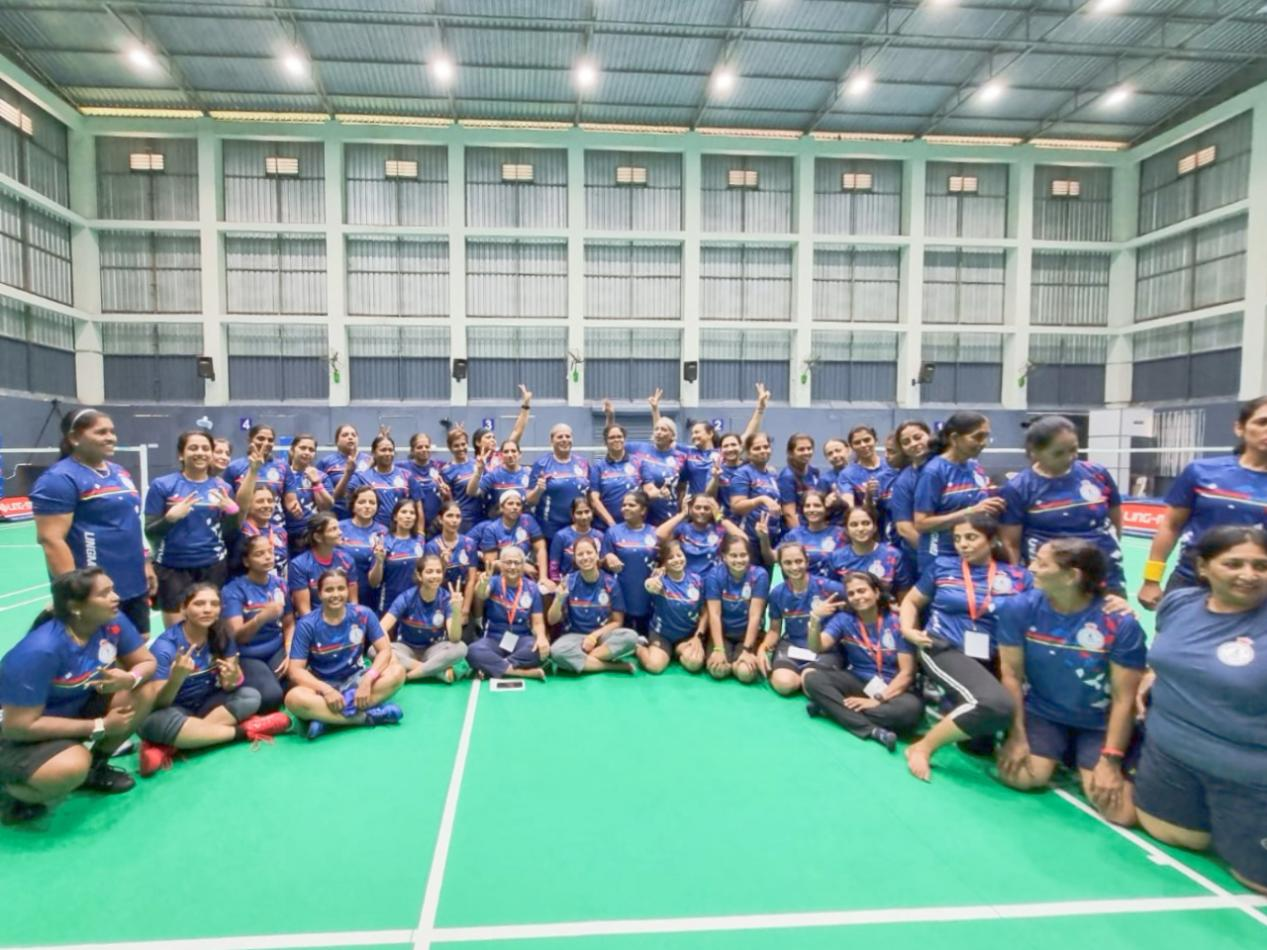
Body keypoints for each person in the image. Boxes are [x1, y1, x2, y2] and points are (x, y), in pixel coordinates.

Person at [1132, 525, 1267, 894]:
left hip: (1250, 772)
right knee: (1170, 834)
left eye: (1261, 565)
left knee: (1256, 879)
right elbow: (1168, 648)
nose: (1249, 574)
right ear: (1203, 567)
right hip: (1170, 754)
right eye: (1234, 563)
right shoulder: (1180, 603)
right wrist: (1152, 671)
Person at [994, 540, 1146, 826]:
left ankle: (1079, 757)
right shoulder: (1019, 608)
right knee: (1022, 776)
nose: (1031, 568)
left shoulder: (1119, 623)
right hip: (1044, 712)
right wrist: (1016, 736)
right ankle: (1060, 754)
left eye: (1041, 563)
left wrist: (1110, 761)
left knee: (1121, 814)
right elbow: (1011, 675)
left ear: (1072, 576)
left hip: (1098, 722)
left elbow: (1124, 697)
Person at [0, 568, 156, 823]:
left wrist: (130, 678)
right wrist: (100, 725)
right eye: (105, 593)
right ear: (76, 607)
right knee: (73, 765)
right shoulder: (39, 651)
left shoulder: (111, 622)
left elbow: (146, 662)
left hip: (68, 709)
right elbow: (18, 727)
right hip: (15, 734)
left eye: (113, 589)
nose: (115, 597)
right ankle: (10, 791)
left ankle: (96, 769)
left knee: (144, 691)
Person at [899, 515, 1033, 782]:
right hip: (942, 647)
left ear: (991, 539)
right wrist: (907, 630)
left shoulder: (1018, 576)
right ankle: (922, 747)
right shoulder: (942, 566)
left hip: (993, 657)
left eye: (971, 537)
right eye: (958, 538)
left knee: (978, 744)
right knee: (996, 705)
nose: (963, 544)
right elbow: (911, 602)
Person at [137, 584, 291, 777]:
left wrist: (234, 678)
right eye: (199, 604)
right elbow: (158, 704)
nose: (208, 609)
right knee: (152, 724)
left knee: (249, 696)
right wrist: (176, 679)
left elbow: (230, 684)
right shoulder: (165, 647)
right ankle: (242, 731)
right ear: (184, 609)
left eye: (214, 604)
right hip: (173, 710)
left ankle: (175, 745)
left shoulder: (221, 634)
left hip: (206, 704)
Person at [32, 408, 156, 635]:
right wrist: (75, 592)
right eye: (101, 432)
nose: (111, 437)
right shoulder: (59, 479)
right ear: (74, 438)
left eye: (112, 431)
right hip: (95, 592)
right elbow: (51, 540)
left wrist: (145, 562)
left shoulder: (120, 472)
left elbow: (129, 523)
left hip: (133, 583)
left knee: (138, 646)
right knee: (99, 655)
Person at [1137, 397, 1267, 610]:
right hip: (1191, 582)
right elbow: (1171, 526)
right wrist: (1151, 580)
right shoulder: (1200, 471)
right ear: (1240, 428)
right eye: (1262, 422)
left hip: (1254, 589)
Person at [999, 416, 1125, 593]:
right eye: (1058, 453)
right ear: (1035, 452)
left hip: (1104, 573)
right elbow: (1011, 544)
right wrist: (1018, 582)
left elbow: (1116, 519)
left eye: (1074, 449)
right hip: (1051, 580)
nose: (1070, 457)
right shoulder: (1018, 488)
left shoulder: (1097, 473)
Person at [803, 571, 922, 751]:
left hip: (893, 688)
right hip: (858, 680)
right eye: (851, 593)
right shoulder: (844, 619)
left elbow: (907, 673)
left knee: (911, 711)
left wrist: (878, 700)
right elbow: (816, 647)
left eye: (862, 591)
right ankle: (872, 730)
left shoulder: (897, 622)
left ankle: (831, 709)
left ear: (876, 592)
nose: (857, 597)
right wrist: (814, 620)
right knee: (812, 678)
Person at [284, 569, 405, 740]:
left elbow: (384, 650)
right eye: (329, 590)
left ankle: (326, 718)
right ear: (319, 593)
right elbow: (295, 671)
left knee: (397, 672)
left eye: (341, 589)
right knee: (293, 699)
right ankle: (365, 717)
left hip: (357, 678)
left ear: (348, 590)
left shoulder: (363, 614)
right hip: (323, 684)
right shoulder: (307, 624)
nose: (336, 594)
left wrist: (368, 680)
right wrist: (325, 690)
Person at [145, 429, 236, 627]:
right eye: (193, 448)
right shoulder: (162, 485)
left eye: (205, 448)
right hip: (172, 568)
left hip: (213, 567)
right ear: (181, 454)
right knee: (177, 634)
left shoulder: (223, 488)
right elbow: (150, 531)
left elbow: (229, 533)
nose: (200, 452)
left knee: (210, 629)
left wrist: (231, 513)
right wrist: (170, 518)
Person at [913, 411, 1005, 571]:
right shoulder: (934, 472)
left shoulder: (974, 466)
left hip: (975, 555)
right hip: (941, 557)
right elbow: (921, 523)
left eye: (986, 436)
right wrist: (970, 511)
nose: (983, 443)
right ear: (954, 438)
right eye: (977, 437)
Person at [639, 383, 769, 496]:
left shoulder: (723, 452)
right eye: (692, 433)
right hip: (695, 509)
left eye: (697, 432)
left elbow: (747, 436)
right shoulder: (688, 452)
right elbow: (663, 437)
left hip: (717, 507)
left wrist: (760, 408)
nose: (693, 436)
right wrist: (655, 410)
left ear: (710, 433)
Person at [760, 543, 845, 696]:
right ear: (780, 565)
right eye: (787, 562)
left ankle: (808, 676)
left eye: (798, 561)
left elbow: (856, 601)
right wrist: (762, 648)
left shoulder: (828, 587)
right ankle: (798, 676)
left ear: (807, 561)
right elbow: (774, 630)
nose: (794, 567)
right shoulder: (777, 593)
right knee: (784, 684)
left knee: (810, 683)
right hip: (792, 645)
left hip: (824, 648)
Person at [222, 535, 294, 714]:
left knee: (305, 680)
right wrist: (261, 618)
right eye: (260, 554)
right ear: (246, 561)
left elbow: (289, 623)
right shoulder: (233, 590)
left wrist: (290, 650)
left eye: (270, 552)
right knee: (272, 697)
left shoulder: (280, 584)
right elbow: (238, 636)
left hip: (277, 649)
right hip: (249, 654)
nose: (268, 557)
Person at [546, 536, 639, 675]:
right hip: (575, 637)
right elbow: (552, 620)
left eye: (589, 553)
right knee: (556, 652)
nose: (585, 557)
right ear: (575, 559)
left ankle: (583, 662)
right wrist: (558, 599)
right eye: (580, 554)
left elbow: (617, 622)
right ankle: (613, 667)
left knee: (631, 637)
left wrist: (593, 637)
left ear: (597, 555)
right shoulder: (568, 581)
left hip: (603, 637)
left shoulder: (610, 583)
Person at [381, 555, 468, 683]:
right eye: (429, 571)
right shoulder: (406, 597)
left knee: (461, 648)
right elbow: (381, 628)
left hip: (434, 651)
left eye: (438, 572)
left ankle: (409, 676)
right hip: (406, 649)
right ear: (419, 575)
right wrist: (387, 649)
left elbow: (455, 638)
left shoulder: (446, 598)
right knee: (374, 650)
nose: (434, 576)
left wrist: (456, 611)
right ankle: (434, 671)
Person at [467, 547, 550, 680]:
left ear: (523, 565)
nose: (512, 566)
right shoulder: (494, 581)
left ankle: (492, 668)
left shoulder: (532, 588)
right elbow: (481, 594)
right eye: (508, 562)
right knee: (473, 651)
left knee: (537, 650)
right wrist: (483, 583)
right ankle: (520, 672)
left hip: (521, 639)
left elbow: (538, 622)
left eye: (517, 563)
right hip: (493, 639)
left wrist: (541, 637)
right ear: (501, 564)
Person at [703, 535, 769, 682]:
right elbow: (714, 615)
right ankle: (728, 658)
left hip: (746, 636)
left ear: (749, 556)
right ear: (724, 557)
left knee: (745, 674)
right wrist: (718, 649)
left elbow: (755, 616)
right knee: (718, 671)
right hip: (723, 635)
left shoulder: (759, 575)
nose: (739, 560)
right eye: (733, 555)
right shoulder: (715, 575)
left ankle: (739, 658)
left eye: (743, 555)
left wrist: (746, 650)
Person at [641, 540, 706, 674]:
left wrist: (698, 637)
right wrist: (650, 583)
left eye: (679, 555)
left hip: (686, 636)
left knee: (695, 664)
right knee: (655, 666)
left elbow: (705, 612)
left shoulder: (697, 581)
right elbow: (650, 585)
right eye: (670, 558)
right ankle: (637, 645)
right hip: (662, 635)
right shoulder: (660, 580)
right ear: (664, 562)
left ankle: (675, 651)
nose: (677, 560)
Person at [600, 492, 661, 635]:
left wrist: (662, 568)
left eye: (631, 505)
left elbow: (664, 559)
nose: (625, 508)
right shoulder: (612, 532)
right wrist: (608, 557)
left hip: (647, 596)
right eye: (624, 505)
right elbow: (602, 564)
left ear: (643, 510)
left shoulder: (654, 532)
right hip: (621, 595)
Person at [656, 493, 745, 578]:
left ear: (712, 511)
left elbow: (744, 539)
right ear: (691, 509)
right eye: (697, 508)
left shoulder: (719, 529)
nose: (702, 511)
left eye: (706, 508)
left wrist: (719, 517)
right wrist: (682, 514)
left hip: (713, 581)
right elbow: (657, 536)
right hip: (687, 581)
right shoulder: (682, 528)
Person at [528, 424, 590, 543]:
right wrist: (538, 490)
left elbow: (589, 495)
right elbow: (530, 501)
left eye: (567, 436)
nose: (564, 440)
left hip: (578, 526)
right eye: (560, 437)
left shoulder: (582, 463)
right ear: (552, 441)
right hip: (549, 530)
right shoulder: (541, 464)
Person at [288, 513, 358, 616]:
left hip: (343, 621)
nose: (340, 532)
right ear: (318, 537)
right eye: (333, 529)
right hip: (314, 624)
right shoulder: (299, 565)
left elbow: (353, 603)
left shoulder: (347, 560)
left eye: (338, 528)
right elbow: (305, 612)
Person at [827, 505, 908, 595]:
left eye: (866, 523)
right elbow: (832, 592)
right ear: (846, 530)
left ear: (875, 527)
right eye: (854, 525)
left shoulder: (893, 555)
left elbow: (903, 591)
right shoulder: (836, 557)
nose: (860, 529)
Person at [888, 419, 932, 582]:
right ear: (903, 449)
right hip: (925, 557)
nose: (914, 444)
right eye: (906, 442)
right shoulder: (904, 481)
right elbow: (905, 528)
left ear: (929, 436)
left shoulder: (948, 466)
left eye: (918, 437)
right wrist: (933, 555)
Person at [730, 432, 784, 564]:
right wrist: (761, 499)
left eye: (766, 447)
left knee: (773, 580)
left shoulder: (772, 474)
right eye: (757, 448)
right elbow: (736, 506)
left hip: (771, 538)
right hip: (750, 539)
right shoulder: (743, 473)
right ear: (748, 453)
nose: (763, 451)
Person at [424, 501, 479, 625]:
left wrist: (465, 609)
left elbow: (471, 580)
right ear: (440, 519)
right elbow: (431, 582)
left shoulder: (469, 544)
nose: (454, 520)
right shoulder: (431, 547)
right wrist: (443, 564)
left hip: (463, 599)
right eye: (450, 516)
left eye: (458, 516)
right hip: (439, 601)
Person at [347, 435, 417, 529]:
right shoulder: (362, 477)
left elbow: (418, 506)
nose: (387, 453)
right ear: (374, 453)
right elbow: (345, 496)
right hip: (373, 532)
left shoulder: (407, 475)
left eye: (390, 450)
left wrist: (420, 533)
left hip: (401, 532)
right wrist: (348, 473)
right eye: (383, 450)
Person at [478, 490, 548, 582]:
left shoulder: (528, 520)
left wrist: (543, 578)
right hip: (502, 575)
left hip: (529, 572)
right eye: (510, 504)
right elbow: (491, 562)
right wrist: (520, 567)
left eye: (518, 504)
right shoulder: (491, 529)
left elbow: (540, 549)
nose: (515, 507)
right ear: (501, 508)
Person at [838, 426, 896, 535]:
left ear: (875, 440)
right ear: (851, 447)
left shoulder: (892, 465)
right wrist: (868, 496)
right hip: (866, 532)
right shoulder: (847, 474)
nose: (863, 445)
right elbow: (849, 506)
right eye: (857, 442)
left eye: (867, 440)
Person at [227, 424, 287, 529]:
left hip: (276, 529)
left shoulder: (283, 466)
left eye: (270, 440)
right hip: (245, 529)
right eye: (260, 438)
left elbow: (288, 500)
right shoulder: (234, 467)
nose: (265, 443)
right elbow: (229, 504)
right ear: (250, 440)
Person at [282, 433, 334, 555]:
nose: (307, 452)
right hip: (284, 533)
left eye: (311, 450)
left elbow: (327, 507)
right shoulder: (282, 475)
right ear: (291, 450)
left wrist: (316, 483)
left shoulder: (322, 477)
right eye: (302, 448)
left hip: (311, 535)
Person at [337, 484, 387, 610]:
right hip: (340, 592)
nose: (367, 506)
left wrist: (379, 560)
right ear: (353, 505)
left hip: (370, 594)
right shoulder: (338, 528)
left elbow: (375, 581)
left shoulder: (382, 532)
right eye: (362, 502)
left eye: (372, 502)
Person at [376, 499, 427, 613]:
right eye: (404, 512)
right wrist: (379, 562)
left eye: (412, 513)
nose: (408, 516)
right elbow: (374, 582)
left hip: (416, 601)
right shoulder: (384, 541)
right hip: (390, 601)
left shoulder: (420, 540)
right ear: (395, 517)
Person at [589, 423, 642, 528]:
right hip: (605, 527)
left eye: (619, 437)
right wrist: (611, 524)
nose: (616, 440)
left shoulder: (638, 462)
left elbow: (647, 489)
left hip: (633, 526)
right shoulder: (598, 467)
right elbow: (594, 499)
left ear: (624, 439)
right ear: (605, 442)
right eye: (612, 437)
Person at [782, 489, 844, 578]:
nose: (811, 509)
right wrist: (764, 538)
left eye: (817, 505)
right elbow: (773, 557)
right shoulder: (794, 535)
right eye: (807, 506)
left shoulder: (840, 534)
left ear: (826, 509)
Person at [466, 438, 531, 521]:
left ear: (520, 454)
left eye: (513, 451)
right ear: (501, 455)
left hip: (522, 526)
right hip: (498, 525)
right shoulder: (494, 475)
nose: (510, 455)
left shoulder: (528, 473)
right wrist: (478, 471)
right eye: (506, 452)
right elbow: (471, 492)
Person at [233, 485, 288, 580]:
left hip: (276, 590)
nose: (266, 505)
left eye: (270, 501)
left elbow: (285, 565)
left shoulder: (280, 532)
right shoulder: (240, 530)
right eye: (260, 501)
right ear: (248, 505)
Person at [317, 423, 371, 520]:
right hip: (335, 515)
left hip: (363, 515)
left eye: (353, 435)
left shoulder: (369, 461)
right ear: (337, 441)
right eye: (345, 435)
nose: (350, 437)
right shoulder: (326, 462)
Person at [548, 497, 606, 581]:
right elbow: (554, 566)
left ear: (592, 512)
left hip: (594, 583)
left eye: (587, 512)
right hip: (568, 584)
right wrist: (558, 585)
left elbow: (603, 563)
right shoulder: (561, 536)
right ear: (572, 515)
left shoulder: (600, 536)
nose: (584, 516)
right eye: (579, 513)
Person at [402, 430, 447, 529]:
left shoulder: (440, 465)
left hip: (436, 523)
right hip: (412, 523)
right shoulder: (403, 467)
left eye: (427, 446)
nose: (424, 449)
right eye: (419, 447)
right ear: (412, 450)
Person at [442, 426, 483, 533]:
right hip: (463, 520)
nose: (461, 448)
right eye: (456, 446)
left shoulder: (477, 464)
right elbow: (447, 501)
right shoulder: (447, 470)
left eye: (463, 444)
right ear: (450, 448)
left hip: (483, 516)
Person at [778, 433, 820, 529]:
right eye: (801, 449)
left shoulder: (814, 471)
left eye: (809, 448)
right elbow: (789, 514)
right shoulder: (787, 477)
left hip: (811, 526)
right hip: (796, 529)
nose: (806, 452)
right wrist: (800, 537)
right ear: (791, 453)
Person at [706, 431, 748, 518]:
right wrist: (715, 478)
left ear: (740, 447)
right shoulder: (715, 469)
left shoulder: (750, 468)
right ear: (720, 450)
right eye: (725, 446)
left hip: (748, 522)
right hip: (723, 521)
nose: (730, 449)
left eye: (733, 445)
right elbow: (709, 497)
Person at [819, 437, 853, 525]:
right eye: (830, 454)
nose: (834, 455)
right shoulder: (825, 480)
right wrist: (828, 504)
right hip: (838, 526)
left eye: (838, 451)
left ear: (848, 450)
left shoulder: (859, 472)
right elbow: (820, 509)